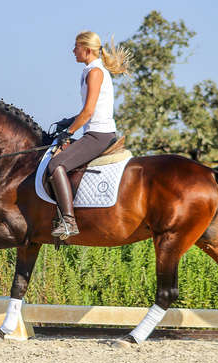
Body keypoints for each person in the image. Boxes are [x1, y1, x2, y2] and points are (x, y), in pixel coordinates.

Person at [48, 31, 130, 239]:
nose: (73, 50)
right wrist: (68, 121)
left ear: (87, 50)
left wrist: (69, 132)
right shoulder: (91, 70)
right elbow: (88, 110)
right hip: (96, 131)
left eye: (76, 46)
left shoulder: (95, 72)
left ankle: (68, 221)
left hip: (98, 135)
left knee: (55, 164)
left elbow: (88, 112)